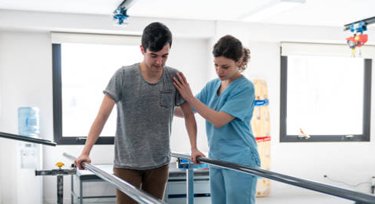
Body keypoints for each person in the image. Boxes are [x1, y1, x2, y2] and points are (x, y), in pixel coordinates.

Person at [74, 22, 204, 204]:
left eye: (165, 56)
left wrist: (194, 147)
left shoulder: (174, 77)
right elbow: (102, 115)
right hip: (127, 164)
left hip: (159, 164)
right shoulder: (123, 76)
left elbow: (189, 115)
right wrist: (86, 151)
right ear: (142, 49)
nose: (159, 62)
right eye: (154, 56)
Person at [173, 35, 260, 204]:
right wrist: (160, 104)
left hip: (240, 158)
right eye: (216, 65)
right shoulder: (212, 86)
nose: (219, 71)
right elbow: (185, 111)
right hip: (217, 158)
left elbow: (219, 120)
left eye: (225, 67)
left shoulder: (245, 87)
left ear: (240, 62)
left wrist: (189, 97)